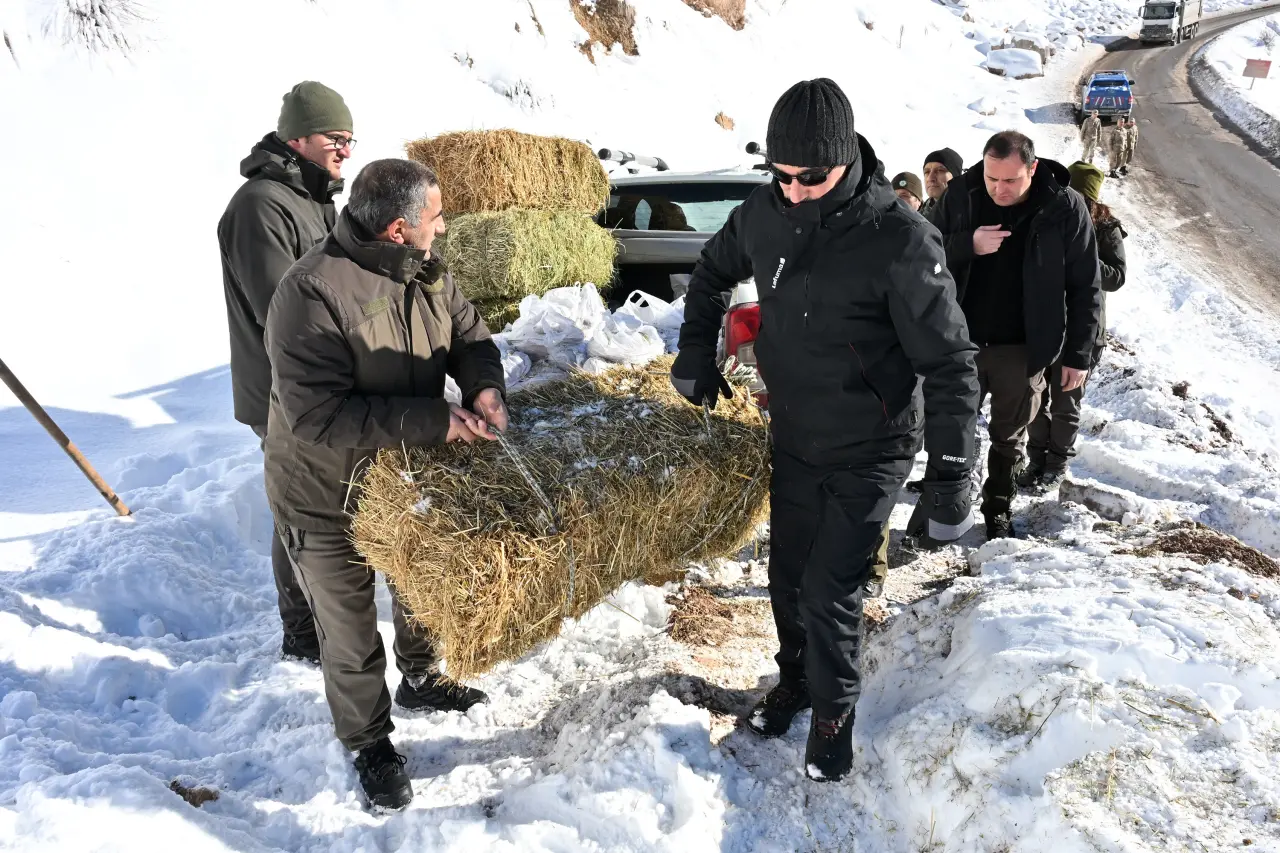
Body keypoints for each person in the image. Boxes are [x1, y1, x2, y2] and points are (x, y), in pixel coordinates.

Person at [673, 79, 979, 782]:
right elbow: (713, 271)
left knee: (831, 587)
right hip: (797, 433)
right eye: (781, 176)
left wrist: (953, 471)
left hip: (873, 442)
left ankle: (835, 712)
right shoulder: (765, 211)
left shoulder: (900, 237)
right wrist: (696, 351)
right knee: (787, 576)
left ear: (846, 161)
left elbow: (951, 362)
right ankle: (797, 680)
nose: (796, 190)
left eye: (812, 177)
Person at [264, 159, 508, 811]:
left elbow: (471, 334)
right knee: (348, 630)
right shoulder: (310, 291)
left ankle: (422, 676)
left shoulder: (425, 270)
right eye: (436, 216)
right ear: (399, 229)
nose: (445, 226)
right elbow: (316, 415)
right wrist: (435, 419)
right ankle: (370, 741)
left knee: (420, 583)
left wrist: (484, 383)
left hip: (401, 476)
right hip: (325, 492)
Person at [218, 80, 357, 665]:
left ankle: (321, 613)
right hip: (284, 391)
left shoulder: (313, 199)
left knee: (329, 498)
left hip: (320, 384)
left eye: (351, 139)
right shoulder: (260, 206)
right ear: (297, 136)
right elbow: (283, 306)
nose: (346, 150)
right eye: (335, 137)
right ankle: (301, 632)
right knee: (299, 506)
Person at [933, 130, 1101, 540]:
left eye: (1010, 181)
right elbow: (922, 248)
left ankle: (998, 507)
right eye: (992, 178)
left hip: (1023, 347)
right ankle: (943, 508)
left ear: (1033, 169)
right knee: (951, 428)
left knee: (1009, 436)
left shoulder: (1063, 207)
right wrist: (966, 244)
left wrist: (1079, 355)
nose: (998, 189)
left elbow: (1085, 286)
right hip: (960, 342)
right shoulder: (962, 195)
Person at [1022, 162, 1127, 491]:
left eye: (1081, 195)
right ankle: (1035, 458)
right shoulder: (1052, 217)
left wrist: (1083, 254)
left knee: (1066, 400)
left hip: (1083, 330)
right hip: (1046, 324)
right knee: (1033, 397)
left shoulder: (1106, 227)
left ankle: (1056, 464)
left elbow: (1117, 276)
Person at [920, 147, 963, 222]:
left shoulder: (972, 213)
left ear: (956, 176)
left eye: (940, 170)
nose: (930, 178)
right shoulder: (917, 219)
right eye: (927, 172)